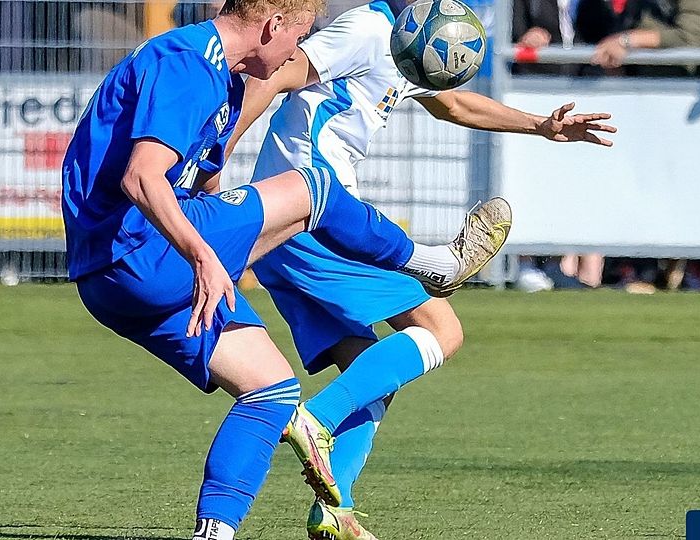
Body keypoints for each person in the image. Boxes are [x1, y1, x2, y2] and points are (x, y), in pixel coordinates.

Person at [60, 0, 509, 538]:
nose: (298, 52)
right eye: (297, 37)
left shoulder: (223, 79)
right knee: (317, 186)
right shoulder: (185, 59)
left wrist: (224, 217)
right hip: (142, 250)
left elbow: (196, 174)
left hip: (116, 281)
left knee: (271, 391)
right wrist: (205, 253)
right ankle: (434, 263)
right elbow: (142, 179)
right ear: (273, 25)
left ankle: (217, 533)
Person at [224, 0, 616, 537]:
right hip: (315, 211)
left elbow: (452, 105)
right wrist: (217, 156)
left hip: (300, 222)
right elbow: (280, 75)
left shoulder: (413, 39)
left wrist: (541, 126)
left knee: (370, 376)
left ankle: (336, 511)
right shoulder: (367, 26)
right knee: (442, 330)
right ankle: (315, 419)